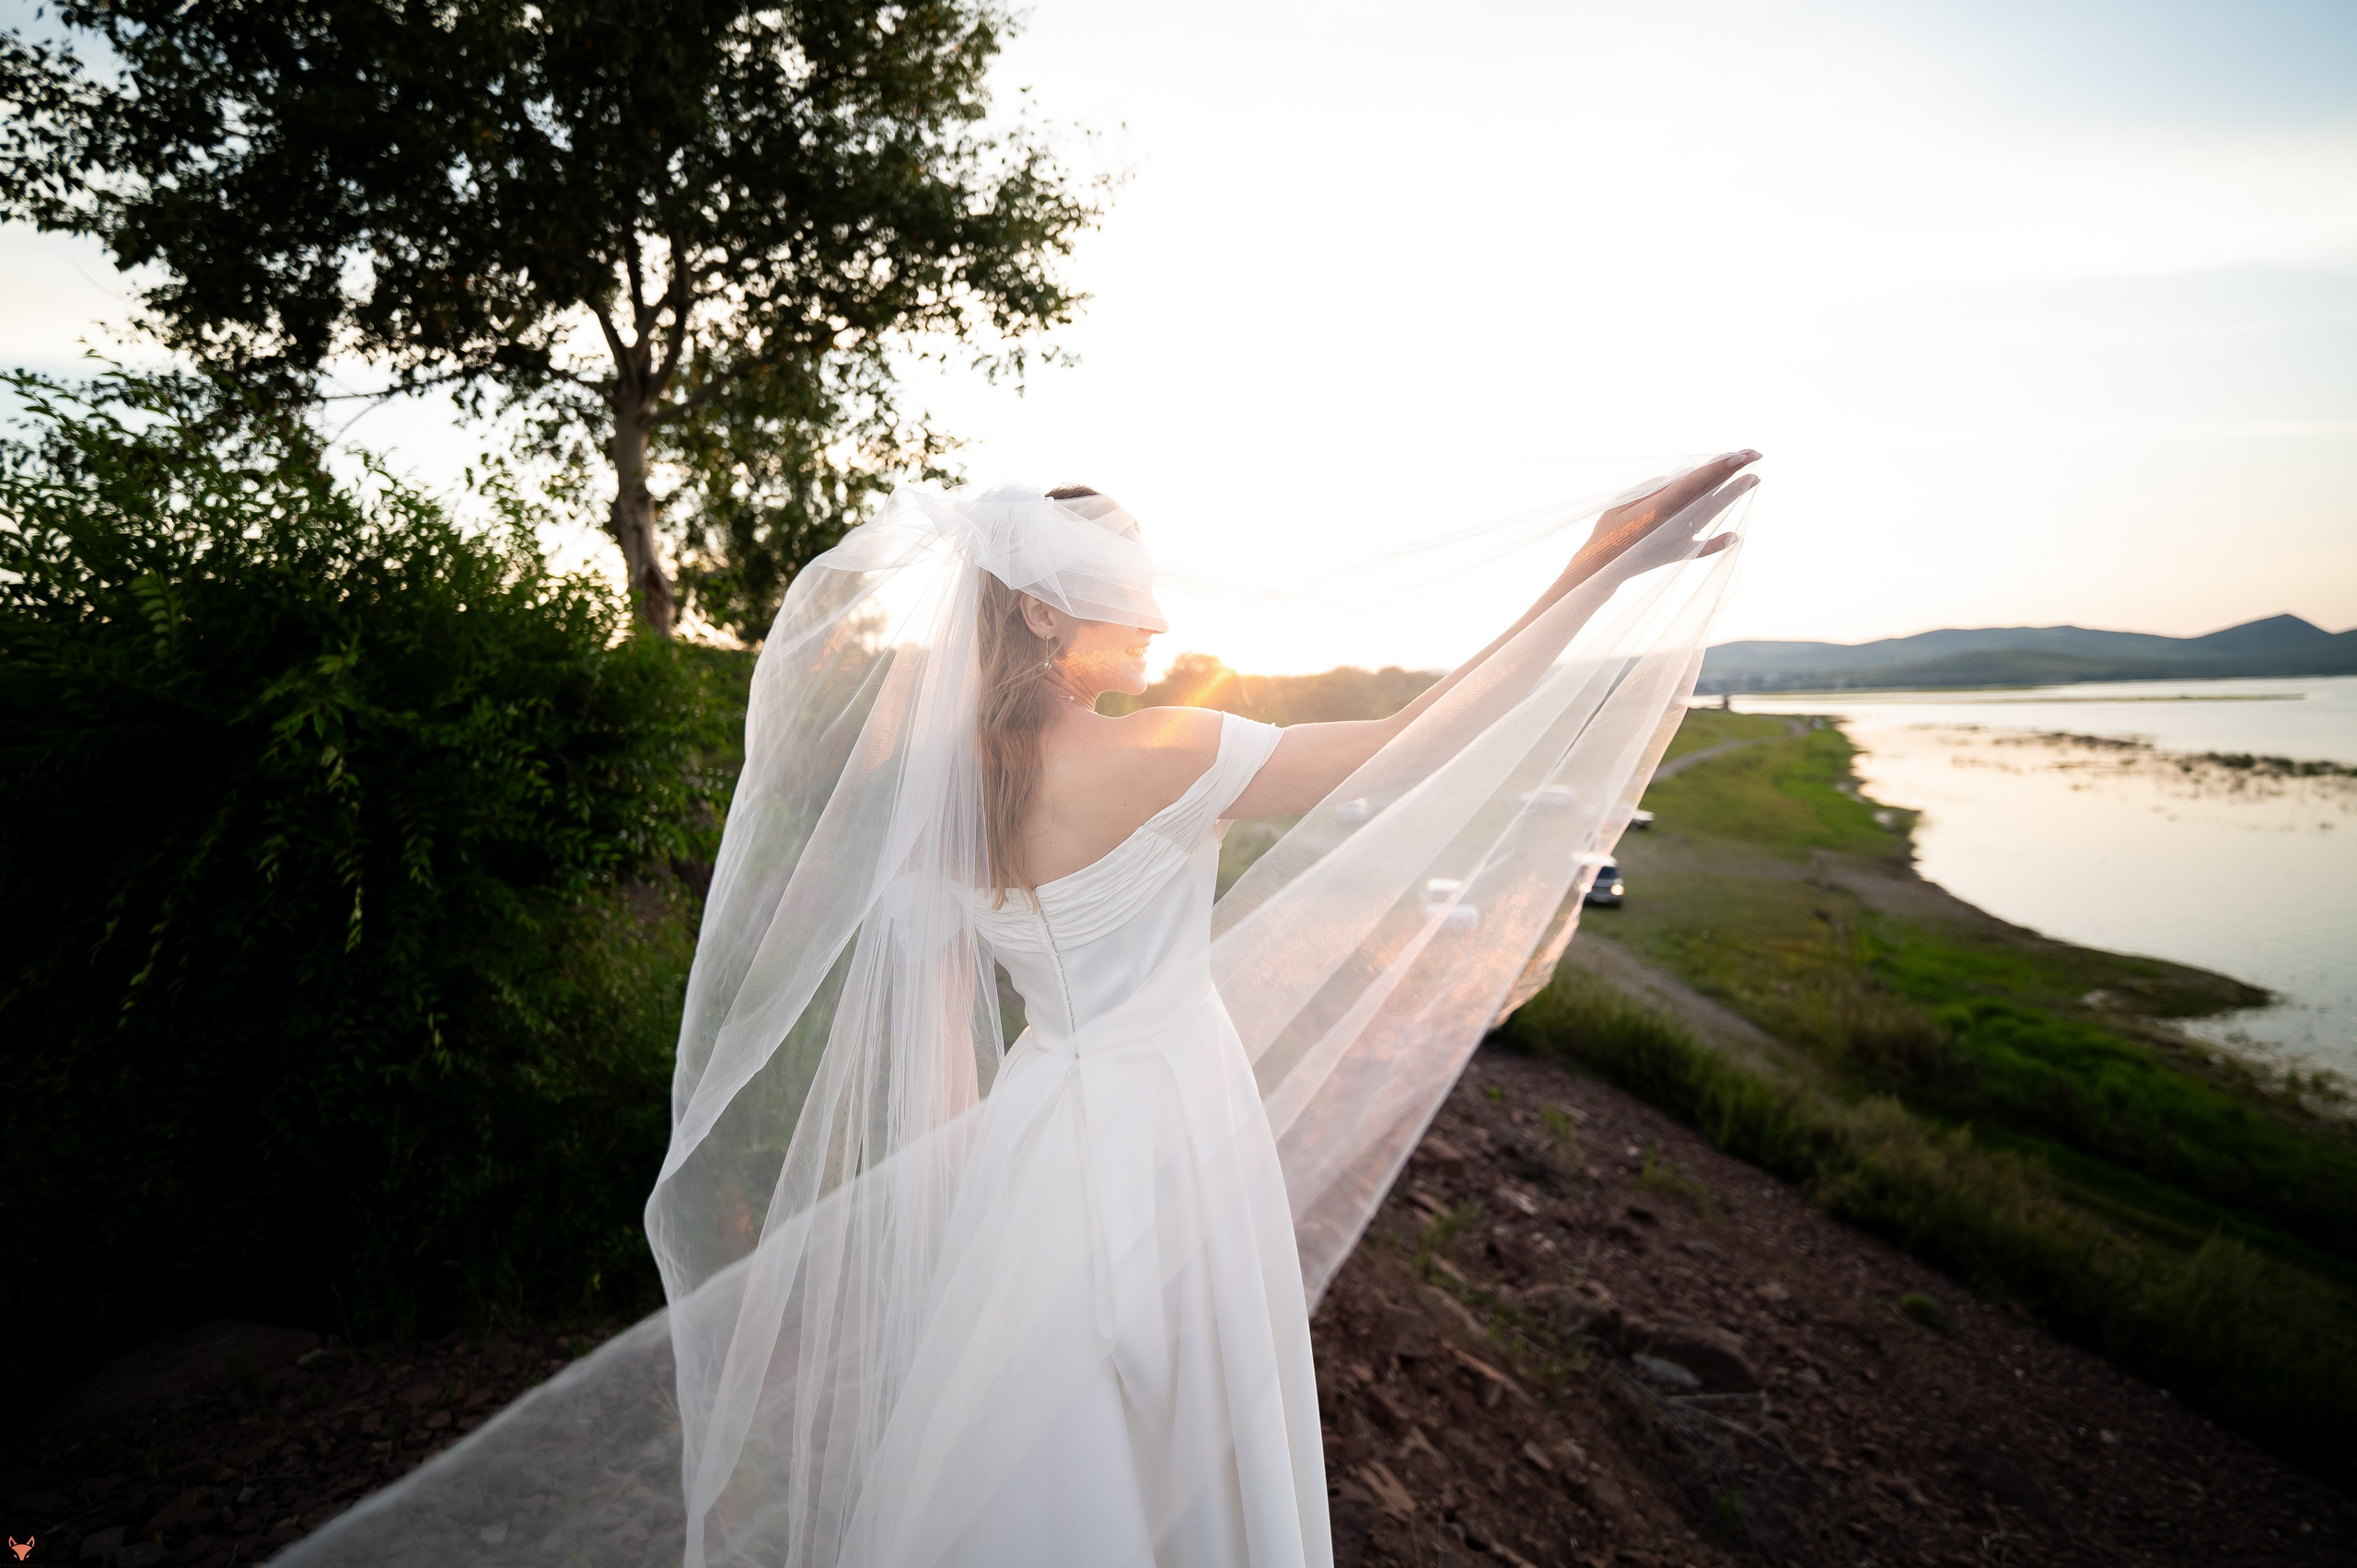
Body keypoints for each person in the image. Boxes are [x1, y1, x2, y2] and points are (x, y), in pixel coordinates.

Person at [274, 453, 1757, 1568]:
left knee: (1037, 1453)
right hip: (1172, 1130)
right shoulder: (1163, 751)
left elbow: (933, 1063)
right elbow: (1424, 742)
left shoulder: (946, 801)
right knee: (1175, 1452)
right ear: (1049, 616)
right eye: (1123, 591)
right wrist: (1598, 567)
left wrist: (958, 1235)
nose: (1158, 614)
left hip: (1046, 1130)